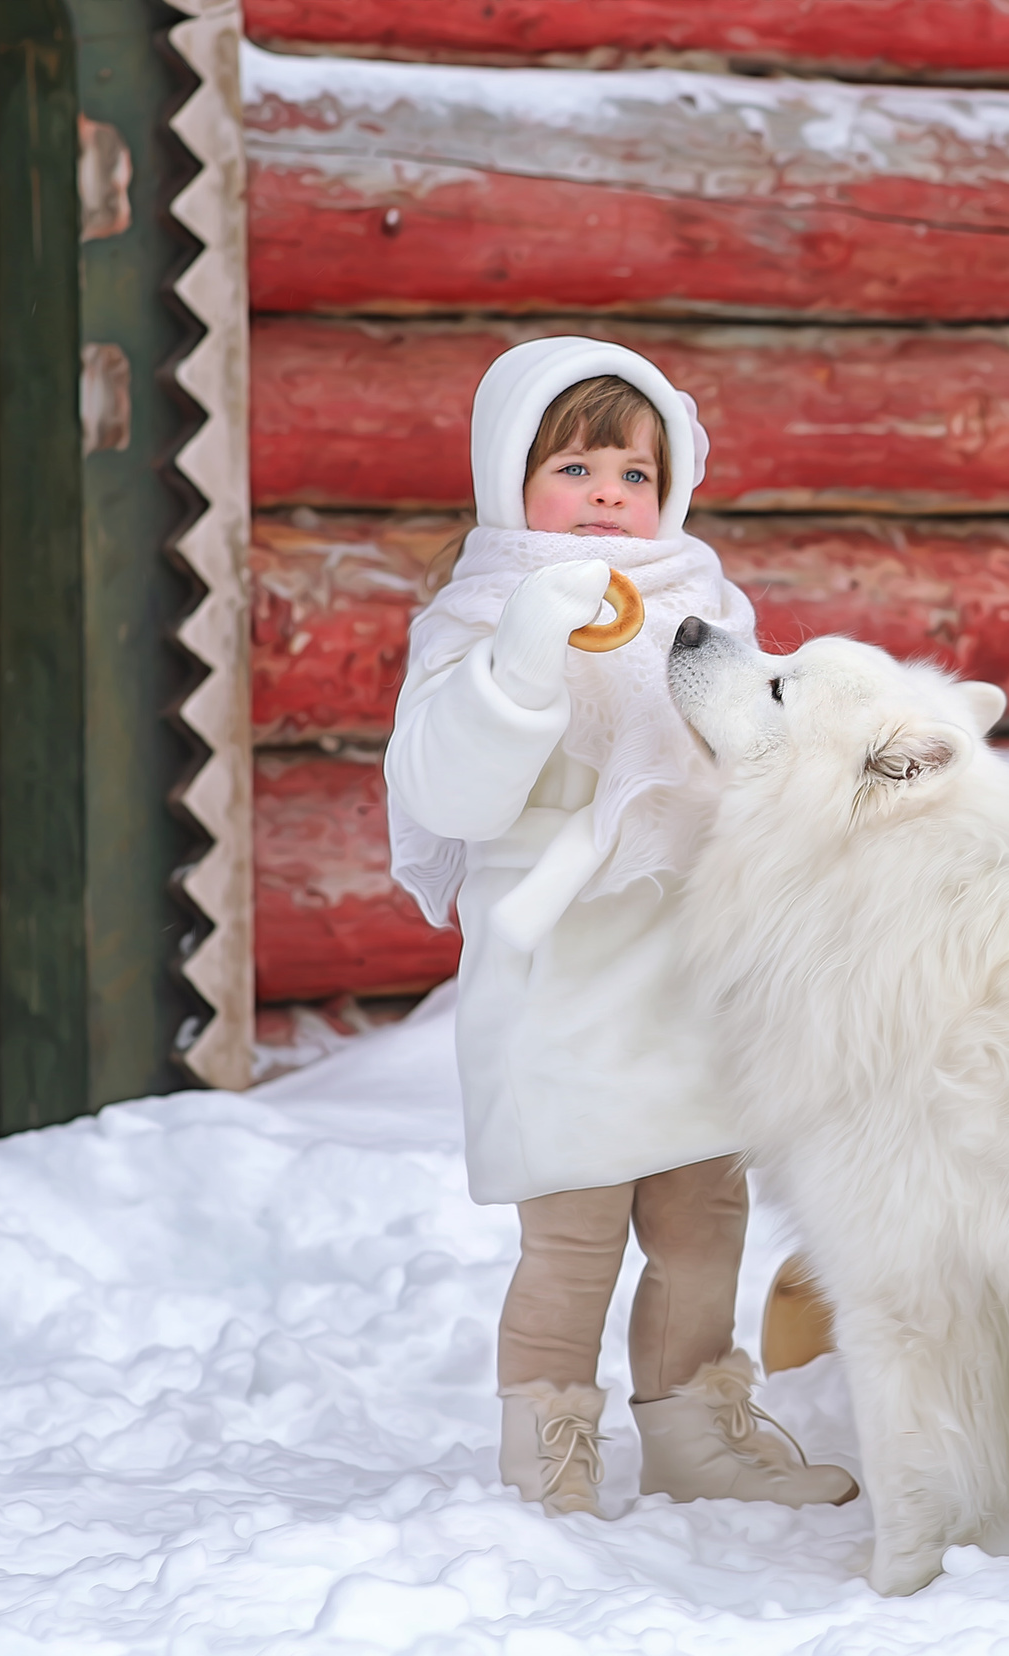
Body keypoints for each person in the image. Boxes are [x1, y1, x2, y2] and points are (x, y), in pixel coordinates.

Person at [384, 338, 857, 1518]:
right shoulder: (475, 620)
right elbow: (453, 794)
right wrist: (523, 662)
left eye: (634, 476)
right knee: (577, 1231)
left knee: (702, 1219)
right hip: (560, 970)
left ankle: (696, 1429)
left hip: (688, 951)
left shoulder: (701, 602)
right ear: (508, 477)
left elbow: (754, 747)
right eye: (575, 466)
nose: (606, 497)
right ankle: (545, 1445)